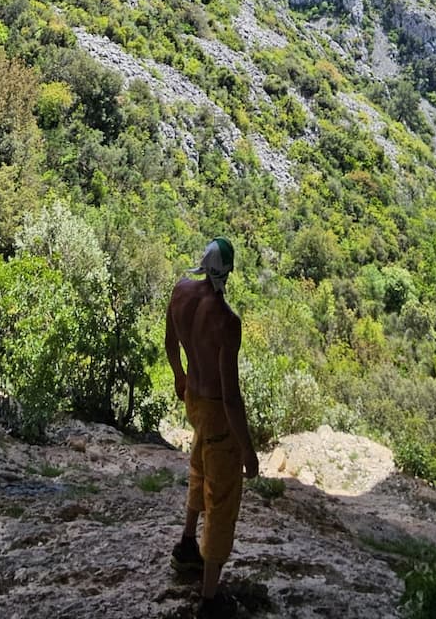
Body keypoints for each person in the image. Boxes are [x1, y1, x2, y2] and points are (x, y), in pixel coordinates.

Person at [165, 237, 259, 615]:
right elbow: (231, 395)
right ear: (229, 271)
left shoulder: (180, 292)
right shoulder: (226, 322)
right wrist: (249, 451)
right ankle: (209, 599)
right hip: (218, 411)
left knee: (198, 468)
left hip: (194, 401)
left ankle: (187, 546)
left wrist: (179, 376)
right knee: (221, 500)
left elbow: (171, 343)